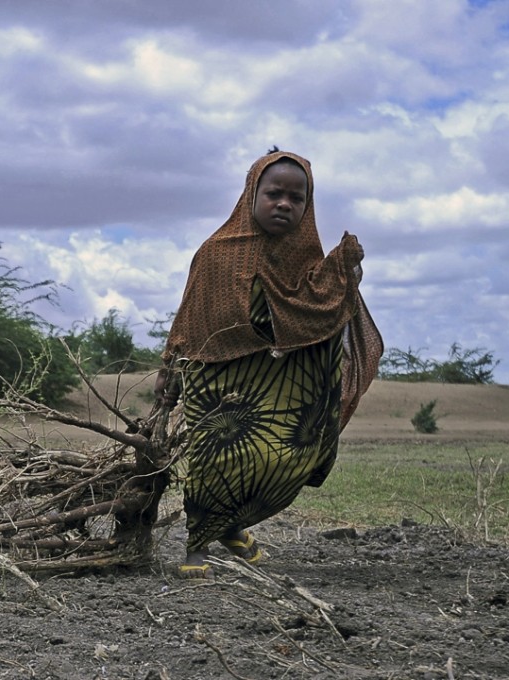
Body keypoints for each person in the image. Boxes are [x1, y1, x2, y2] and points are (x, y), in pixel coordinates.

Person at [154, 148, 382, 577]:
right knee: (214, 461)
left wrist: (344, 275)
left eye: (297, 199)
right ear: (251, 193)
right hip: (216, 377)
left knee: (287, 455)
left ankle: (232, 525)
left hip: (277, 385)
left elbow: (321, 312)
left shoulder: (308, 263)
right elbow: (190, 313)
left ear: (307, 205)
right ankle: (197, 549)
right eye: (274, 193)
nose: (285, 204)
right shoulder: (216, 254)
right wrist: (171, 367)